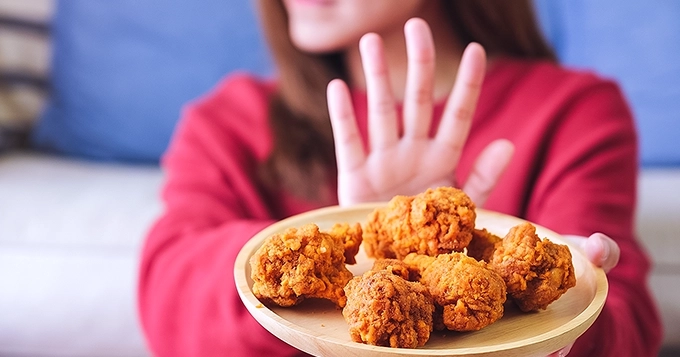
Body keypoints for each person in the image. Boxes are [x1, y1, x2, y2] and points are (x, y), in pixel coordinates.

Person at [137, 1, 663, 356]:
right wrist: (347, 258)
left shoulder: (574, 111)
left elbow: (626, 322)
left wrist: (558, 331)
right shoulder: (227, 120)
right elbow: (165, 294)